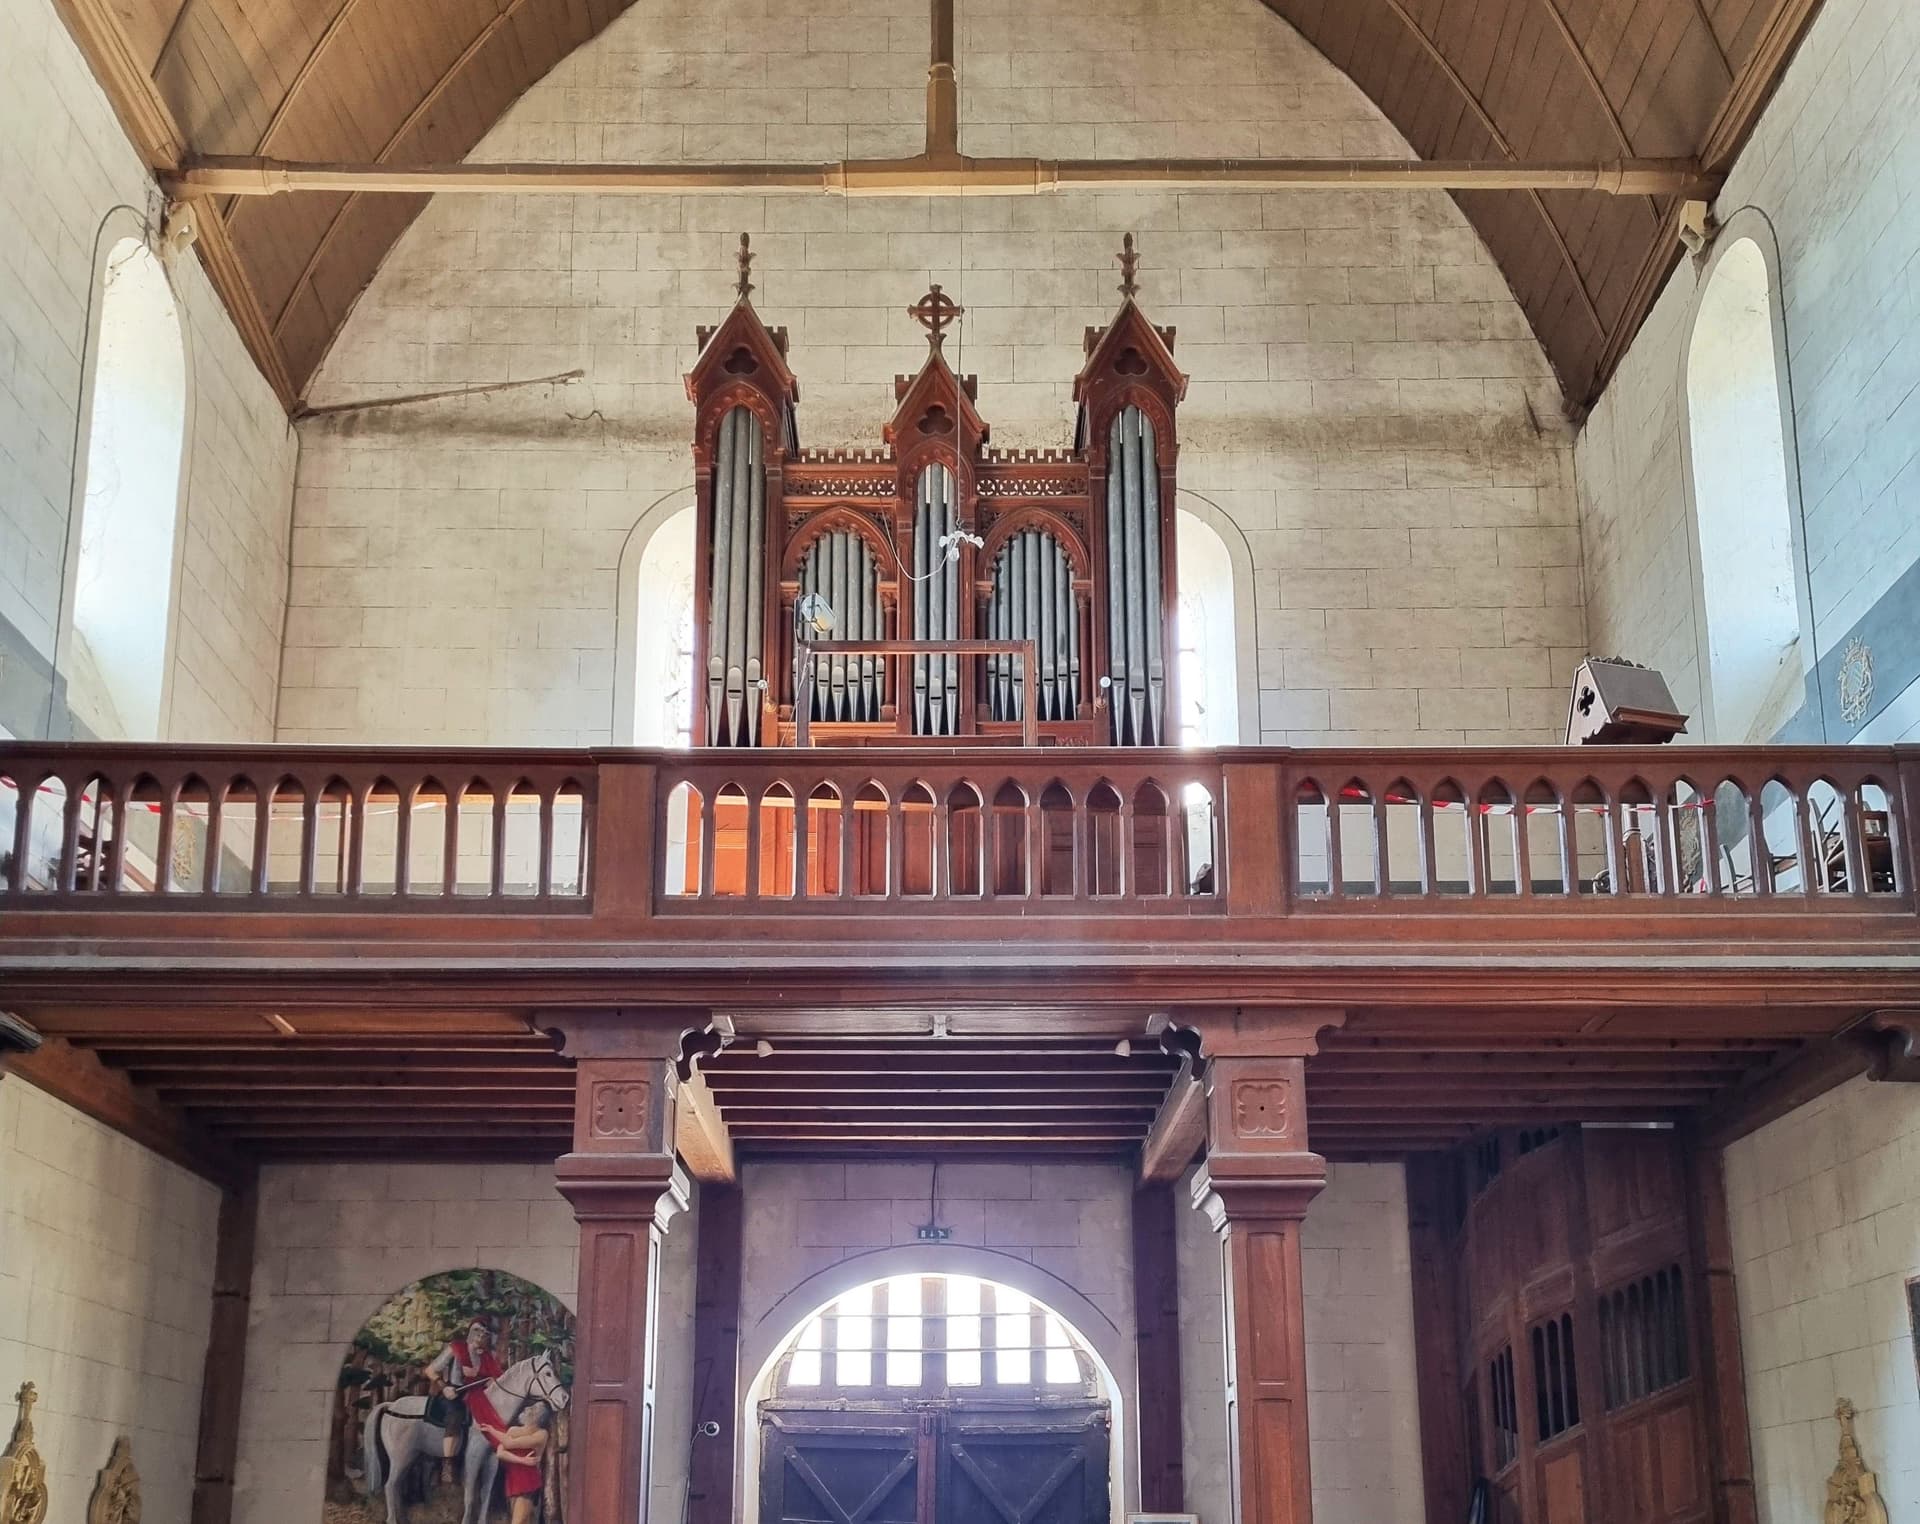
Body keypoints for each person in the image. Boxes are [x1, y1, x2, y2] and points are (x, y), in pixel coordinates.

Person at [424, 1320, 503, 1485]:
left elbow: (495, 1378)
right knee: (455, 1416)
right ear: (470, 1331)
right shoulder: (456, 1348)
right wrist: (444, 1387)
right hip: (454, 1393)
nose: (479, 1336)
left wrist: (490, 1382)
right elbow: (430, 1370)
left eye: (483, 1333)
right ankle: (448, 1465)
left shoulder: (486, 1356)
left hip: (478, 1395)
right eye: (477, 1331)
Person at [477, 1402, 552, 1524]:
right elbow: (501, 1453)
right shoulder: (513, 1430)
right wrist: (521, 1460)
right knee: (523, 1521)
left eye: (533, 1409)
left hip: (528, 1481)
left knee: (518, 1521)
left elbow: (509, 1444)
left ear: (537, 1417)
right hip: (513, 1480)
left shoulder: (541, 1434)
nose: (527, 1408)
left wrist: (492, 1431)